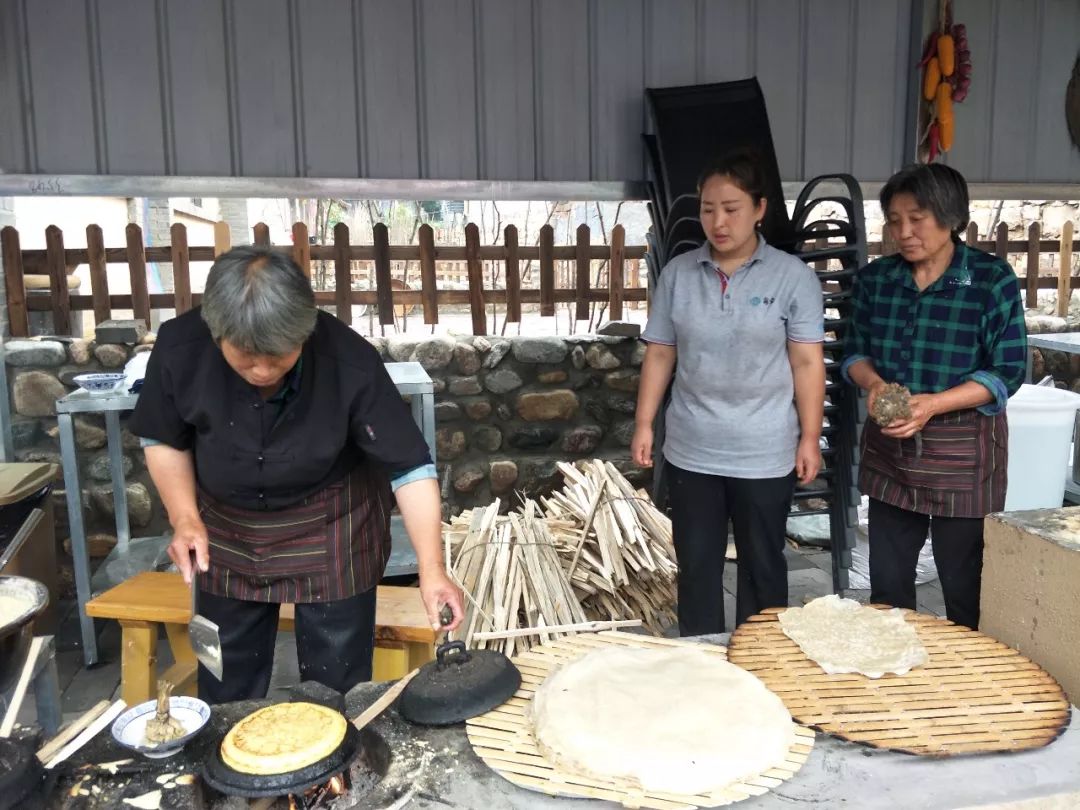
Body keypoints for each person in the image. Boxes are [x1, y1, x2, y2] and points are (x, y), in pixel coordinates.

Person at [129, 246, 464, 703]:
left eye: (280, 355)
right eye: (246, 357)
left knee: (337, 685)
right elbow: (163, 438)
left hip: (330, 527)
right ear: (216, 331)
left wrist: (432, 569)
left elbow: (409, 467)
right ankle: (228, 758)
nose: (263, 370)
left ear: (305, 330)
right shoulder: (180, 348)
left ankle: (332, 767)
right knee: (225, 677)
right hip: (224, 531)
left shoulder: (350, 360)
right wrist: (184, 517)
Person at [632, 148, 826, 636]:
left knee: (763, 563)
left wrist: (809, 437)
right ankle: (700, 658)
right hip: (692, 447)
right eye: (708, 209)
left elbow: (806, 362)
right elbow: (660, 353)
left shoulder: (792, 278)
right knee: (697, 563)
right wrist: (644, 423)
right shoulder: (679, 274)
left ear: (759, 209)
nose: (718, 221)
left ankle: (761, 657)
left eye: (731, 208)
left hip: (765, 449)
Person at [843, 163, 1027, 630]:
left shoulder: (990, 280)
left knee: (965, 587)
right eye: (894, 219)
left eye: (916, 218)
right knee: (887, 588)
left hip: (964, 456)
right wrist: (875, 383)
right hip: (892, 453)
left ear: (950, 216)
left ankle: (969, 685)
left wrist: (933, 405)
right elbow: (854, 353)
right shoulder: (877, 280)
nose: (903, 231)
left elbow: (1008, 370)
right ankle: (897, 678)